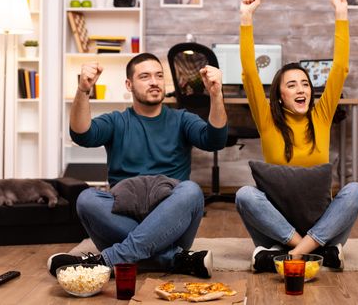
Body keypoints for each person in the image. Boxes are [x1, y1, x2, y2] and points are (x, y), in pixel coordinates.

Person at [47, 53, 228, 278]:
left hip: (172, 221)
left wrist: (216, 94)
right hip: (123, 217)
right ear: (129, 85)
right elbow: (82, 134)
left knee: (191, 191)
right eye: (145, 76)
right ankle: (174, 258)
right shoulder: (116, 121)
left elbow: (215, 140)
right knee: (86, 199)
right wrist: (83, 91)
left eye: (159, 75)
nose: (154, 81)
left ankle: (108, 260)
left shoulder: (182, 119)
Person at [236, 0, 358, 272]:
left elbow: (340, 68)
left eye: (305, 84)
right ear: (279, 95)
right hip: (278, 228)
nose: (300, 89)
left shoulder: (321, 115)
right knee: (245, 195)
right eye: (292, 84)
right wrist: (247, 17)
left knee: (356, 190)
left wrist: (341, 13)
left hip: (321, 226)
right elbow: (248, 73)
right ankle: (309, 251)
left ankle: (290, 255)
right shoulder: (267, 118)